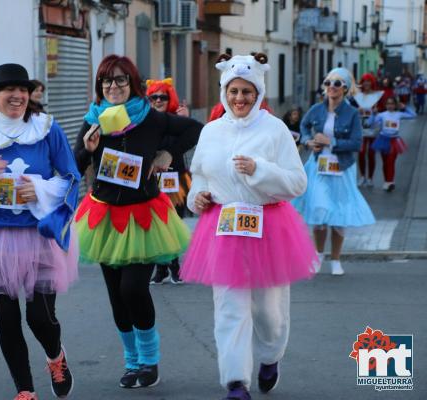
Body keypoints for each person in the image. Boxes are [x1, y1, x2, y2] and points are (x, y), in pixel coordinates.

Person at [179, 53, 317, 400]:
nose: (239, 99)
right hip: (224, 226)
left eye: (247, 92)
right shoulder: (211, 131)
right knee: (229, 308)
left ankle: (270, 357)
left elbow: (297, 183)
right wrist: (198, 197)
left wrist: (259, 170)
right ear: (224, 92)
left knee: (268, 310)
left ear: (259, 94)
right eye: (234, 91)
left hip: (268, 225)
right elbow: (199, 176)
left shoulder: (275, 130)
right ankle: (236, 382)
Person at [0, 63, 81, 400]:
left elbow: (70, 178)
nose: (19, 95)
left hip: (37, 235)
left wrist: (38, 189)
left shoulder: (47, 129)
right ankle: (25, 390)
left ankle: (56, 356)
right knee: (6, 320)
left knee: (40, 317)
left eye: (23, 90)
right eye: (10, 90)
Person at [73, 55, 202, 389]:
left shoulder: (152, 119)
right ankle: (132, 363)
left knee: (134, 289)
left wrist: (167, 154)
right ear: (99, 87)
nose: (113, 87)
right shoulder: (93, 121)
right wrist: (88, 149)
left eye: (120, 80)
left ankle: (150, 360)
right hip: (103, 216)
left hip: (142, 215)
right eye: (106, 81)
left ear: (132, 84)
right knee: (117, 295)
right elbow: (73, 165)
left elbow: (194, 129)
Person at [292, 67, 375, 276]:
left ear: (345, 88)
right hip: (318, 165)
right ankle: (319, 255)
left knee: (338, 215)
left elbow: (356, 143)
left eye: (337, 83)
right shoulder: (316, 109)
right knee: (319, 211)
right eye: (328, 82)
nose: (331, 87)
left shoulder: (352, 113)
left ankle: (336, 259)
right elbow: (303, 125)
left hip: (342, 167)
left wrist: (332, 142)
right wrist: (308, 141)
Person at [145, 77, 191, 285]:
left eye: (162, 97)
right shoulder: (145, 121)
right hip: (153, 179)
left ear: (169, 98)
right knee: (156, 224)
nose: (158, 100)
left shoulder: (177, 119)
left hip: (176, 178)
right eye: (154, 97)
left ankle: (173, 266)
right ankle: (162, 268)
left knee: (173, 222)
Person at [369, 97, 416, 191]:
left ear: (395, 105)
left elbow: (413, 115)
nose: (390, 106)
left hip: (394, 140)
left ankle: (390, 181)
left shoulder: (398, 114)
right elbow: (371, 123)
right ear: (385, 105)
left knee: (391, 161)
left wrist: (405, 107)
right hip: (383, 140)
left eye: (392, 104)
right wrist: (373, 114)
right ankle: (386, 181)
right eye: (388, 104)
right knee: (385, 162)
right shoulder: (382, 115)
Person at [354, 73, 383, 187]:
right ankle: (362, 176)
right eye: (364, 81)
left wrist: (377, 111)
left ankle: (370, 178)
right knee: (361, 153)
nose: (366, 83)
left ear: (372, 82)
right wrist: (357, 110)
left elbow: (385, 109)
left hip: (373, 130)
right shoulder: (357, 96)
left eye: (369, 81)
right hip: (360, 129)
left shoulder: (378, 96)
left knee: (371, 153)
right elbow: (351, 109)